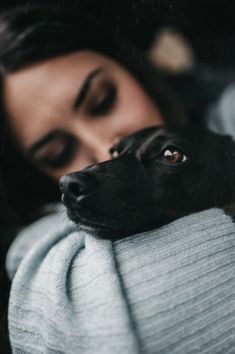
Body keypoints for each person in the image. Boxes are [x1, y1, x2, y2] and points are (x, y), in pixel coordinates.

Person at [0, 5, 235, 354]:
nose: (104, 149)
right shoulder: (34, 244)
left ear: (134, 67)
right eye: (58, 155)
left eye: (103, 100)